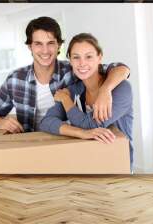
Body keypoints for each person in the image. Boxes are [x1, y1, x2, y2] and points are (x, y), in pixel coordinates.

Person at [0, 16, 130, 133]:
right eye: (38, 44)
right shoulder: (15, 80)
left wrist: (106, 90)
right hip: (29, 146)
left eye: (50, 43)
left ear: (58, 45)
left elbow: (120, 68)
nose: (45, 51)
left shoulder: (74, 70)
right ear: (30, 46)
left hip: (65, 143)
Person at [39, 33, 134, 171]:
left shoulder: (121, 89)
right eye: (76, 57)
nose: (82, 63)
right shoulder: (73, 90)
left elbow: (90, 124)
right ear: (70, 61)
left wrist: (66, 100)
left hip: (118, 166)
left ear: (99, 57)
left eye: (89, 56)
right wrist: (81, 133)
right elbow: (46, 122)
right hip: (86, 166)